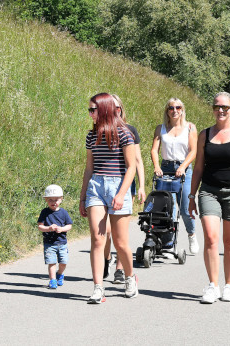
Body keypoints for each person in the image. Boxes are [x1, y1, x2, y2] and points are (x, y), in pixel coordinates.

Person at [188, 92, 230, 304]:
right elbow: (198, 167)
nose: (220, 110)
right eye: (217, 106)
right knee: (210, 237)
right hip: (209, 190)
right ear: (213, 108)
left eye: (225, 107)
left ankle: (229, 286)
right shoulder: (204, 135)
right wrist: (192, 196)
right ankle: (213, 285)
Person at [79, 92, 138, 304]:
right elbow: (88, 168)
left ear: (103, 109)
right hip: (96, 186)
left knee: (121, 243)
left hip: (118, 185)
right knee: (97, 239)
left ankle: (130, 278)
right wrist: (82, 195)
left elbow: (131, 167)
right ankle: (98, 288)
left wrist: (122, 194)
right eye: (89, 110)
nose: (90, 114)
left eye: (93, 110)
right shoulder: (90, 136)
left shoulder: (124, 133)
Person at [103, 94, 146, 284]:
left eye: (118, 107)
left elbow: (137, 161)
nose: (116, 111)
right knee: (107, 232)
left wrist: (143, 186)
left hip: (126, 184)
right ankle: (106, 259)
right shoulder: (100, 130)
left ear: (121, 109)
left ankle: (120, 270)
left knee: (121, 234)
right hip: (105, 183)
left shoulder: (130, 130)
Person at [150, 97, 199, 254]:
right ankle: (168, 243)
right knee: (167, 208)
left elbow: (193, 150)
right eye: (171, 108)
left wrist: (184, 166)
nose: (175, 110)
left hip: (183, 169)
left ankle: (191, 234)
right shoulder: (161, 128)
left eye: (178, 107)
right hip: (165, 168)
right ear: (167, 111)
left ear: (182, 110)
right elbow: (154, 150)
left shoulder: (190, 128)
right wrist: (157, 166)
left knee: (185, 208)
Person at [37, 184, 73, 289]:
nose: (54, 202)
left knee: (63, 262)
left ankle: (60, 274)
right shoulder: (44, 212)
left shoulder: (63, 213)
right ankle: (52, 280)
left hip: (62, 242)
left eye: (56, 200)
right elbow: (40, 226)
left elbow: (69, 225)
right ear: (46, 200)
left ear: (61, 199)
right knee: (51, 262)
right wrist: (49, 228)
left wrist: (61, 229)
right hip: (49, 243)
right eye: (50, 200)